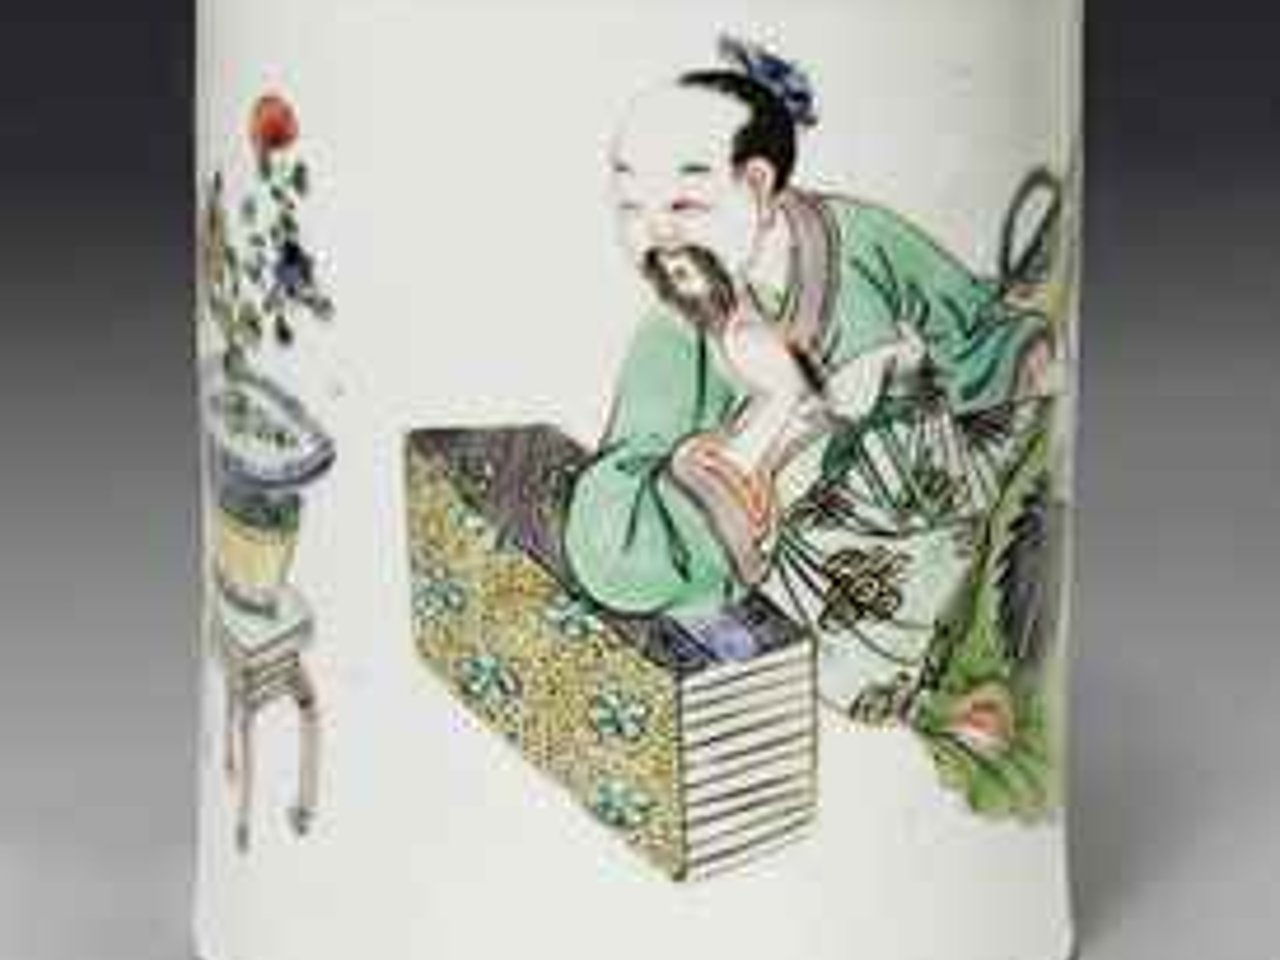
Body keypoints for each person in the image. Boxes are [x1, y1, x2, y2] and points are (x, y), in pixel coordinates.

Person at [563, 38, 1058, 690]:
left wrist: (929, 369)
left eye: (683, 205)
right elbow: (612, 548)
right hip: (826, 600)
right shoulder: (675, 337)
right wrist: (778, 412)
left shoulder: (860, 240)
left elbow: (980, 336)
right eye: (631, 205)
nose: (654, 233)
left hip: (948, 526)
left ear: (758, 183)